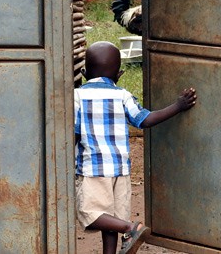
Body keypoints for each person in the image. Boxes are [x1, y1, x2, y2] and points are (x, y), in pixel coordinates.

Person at [75, 41, 197, 254]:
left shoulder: (76, 97)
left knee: (90, 213)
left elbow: (71, 130)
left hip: (91, 168)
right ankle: (119, 240)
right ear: (120, 74)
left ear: (84, 72)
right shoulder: (122, 95)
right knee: (111, 217)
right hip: (120, 169)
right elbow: (146, 120)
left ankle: (131, 227)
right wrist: (178, 106)